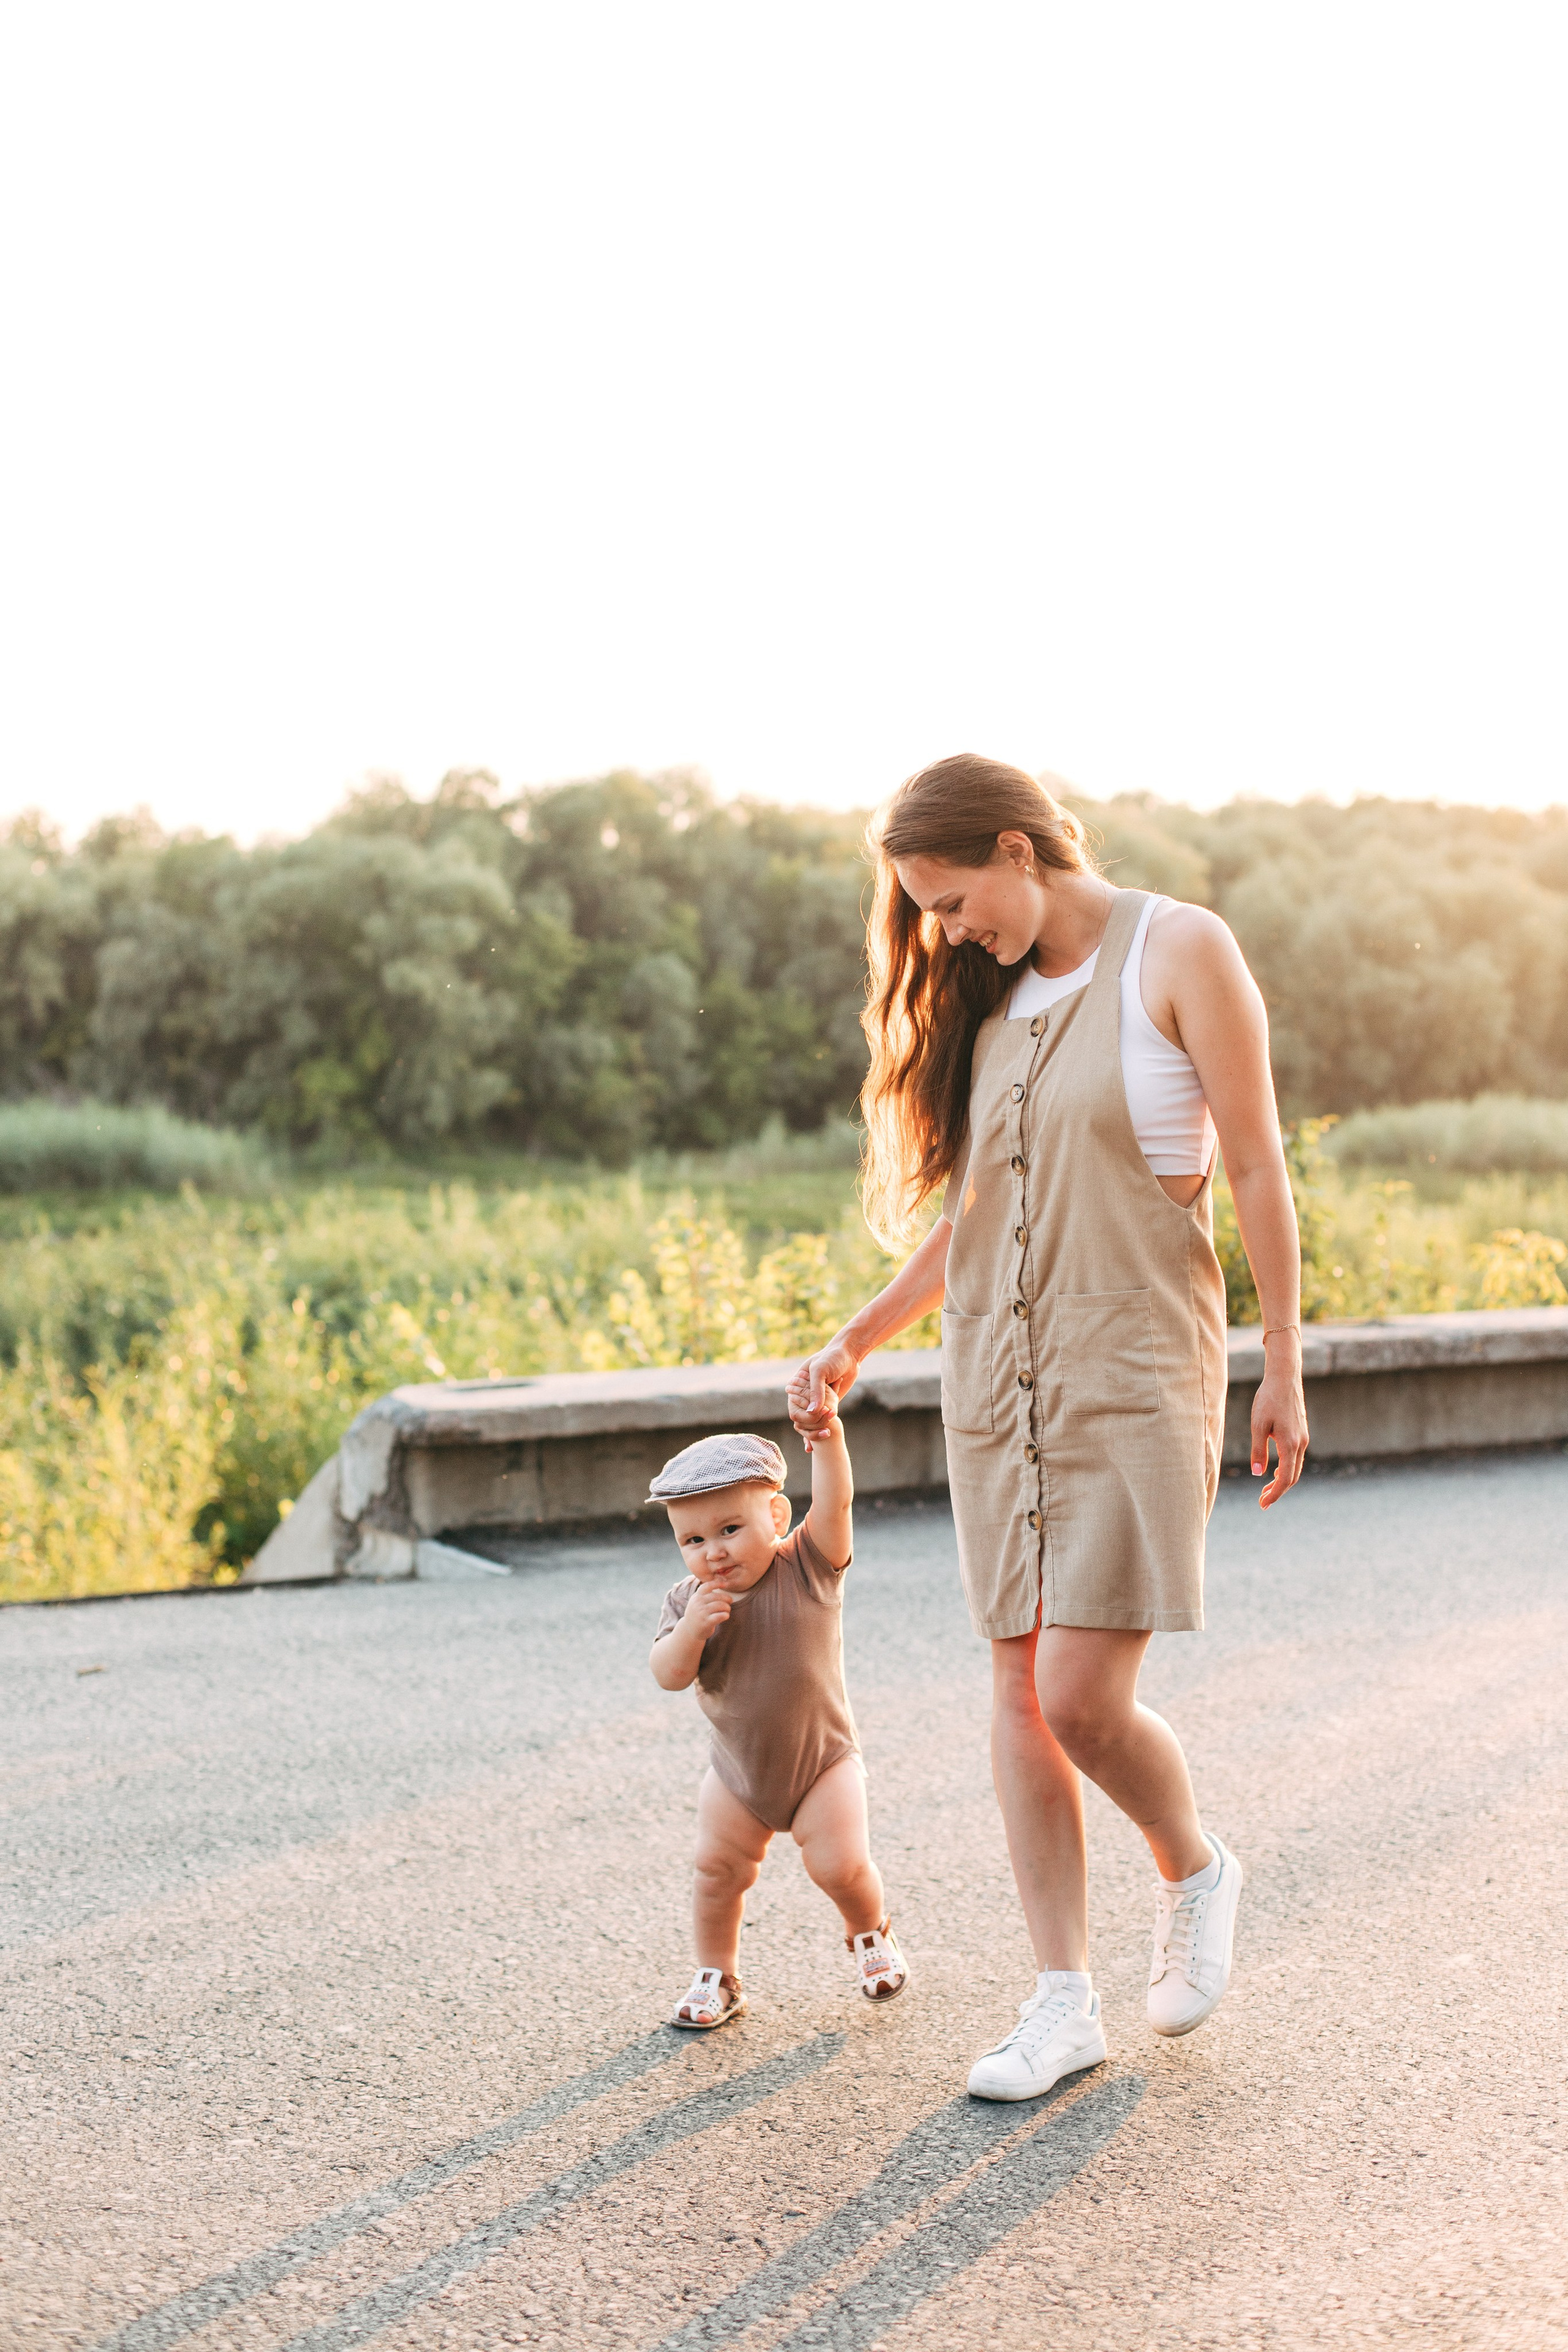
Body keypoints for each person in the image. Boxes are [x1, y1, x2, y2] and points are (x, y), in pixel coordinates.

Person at [789, 753, 1308, 2101]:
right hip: (998, 1382)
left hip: (1136, 1366)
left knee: (1079, 1692)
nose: (951, 933)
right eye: (931, 913)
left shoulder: (1177, 950)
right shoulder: (1000, 1006)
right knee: (1017, 1688)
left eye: (956, 900)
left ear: (1020, 850)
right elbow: (963, 1223)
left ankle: (1192, 1866)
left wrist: (1286, 1368)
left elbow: (1253, 1164)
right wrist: (856, 1336)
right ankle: (1059, 2000)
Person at [648, 1413, 908, 2029]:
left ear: (776, 1518)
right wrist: (691, 1632)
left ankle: (869, 1933)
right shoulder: (687, 1603)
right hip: (738, 1774)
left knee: (839, 1866)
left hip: (823, 1764)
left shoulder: (808, 1567)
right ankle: (717, 1973)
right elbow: (667, 1674)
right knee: (716, 1871)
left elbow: (836, 1501)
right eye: (692, 1541)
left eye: (730, 1529)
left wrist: (829, 1441)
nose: (712, 1552)